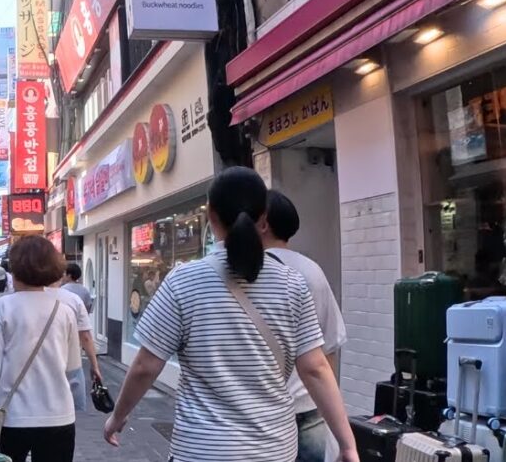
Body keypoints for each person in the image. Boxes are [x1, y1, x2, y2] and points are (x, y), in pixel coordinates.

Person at [103, 167, 358, 462]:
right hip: (273, 451)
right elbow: (315, 368)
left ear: (210, 216)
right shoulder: (292, 283)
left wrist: (118, 416)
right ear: (264, 219)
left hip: (202, 451)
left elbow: (146, 366)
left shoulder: (182, 281)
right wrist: (347, 444)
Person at [264, 190, 348, 462]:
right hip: (311, 409)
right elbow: (330, 347)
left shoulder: (253, 273)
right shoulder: (312, 270)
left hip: (266, 415)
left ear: (262, 223)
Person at [0, 235, 79, 462]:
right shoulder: (64, 310)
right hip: (59, 415)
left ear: (15, 268)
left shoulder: (3, 308)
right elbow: (72, 365)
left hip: (12, 417)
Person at [49, 278, 103, 413]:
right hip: (69, 365)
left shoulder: (14, 303)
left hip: (34, 375)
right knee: (70, 413)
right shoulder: (73, 300)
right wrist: (94, 365)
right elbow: (86, 337)